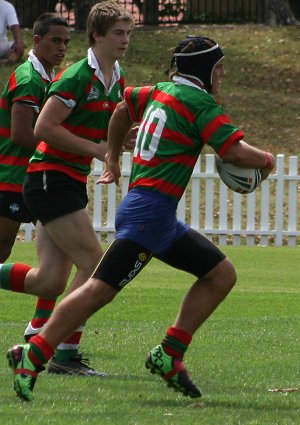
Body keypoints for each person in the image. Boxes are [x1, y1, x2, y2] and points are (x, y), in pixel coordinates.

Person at [6, 35, 275, 402]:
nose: (223, 72)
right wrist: (267, 160)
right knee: (98, 289)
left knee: (220, 274)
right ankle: (34, 353)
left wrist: (114, 155)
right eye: (220, 66)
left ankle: (170, 353)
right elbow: (233, 151)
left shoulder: (158, 90)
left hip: (157, 217)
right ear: (206, 69)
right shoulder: (200, 102)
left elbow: (122, 109)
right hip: (148, 216)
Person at [1, 1, 135, 381]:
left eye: (128, 33)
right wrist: (101, 151)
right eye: (118, 34)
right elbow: (42, 129)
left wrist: (128, 140)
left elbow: (110, 127)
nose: (125, 40)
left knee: (49, 281)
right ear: (96, 35)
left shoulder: (117, 75)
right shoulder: (77, 76)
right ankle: (63, 351)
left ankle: (45, 338)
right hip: (48, 177)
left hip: (66, 179)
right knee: (94, 263)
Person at [0, 0, 25, 64]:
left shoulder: (7, 6)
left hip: (1, 45)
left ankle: (10, 60)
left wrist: (19, 43)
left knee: (19, 46)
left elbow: (15, 28)